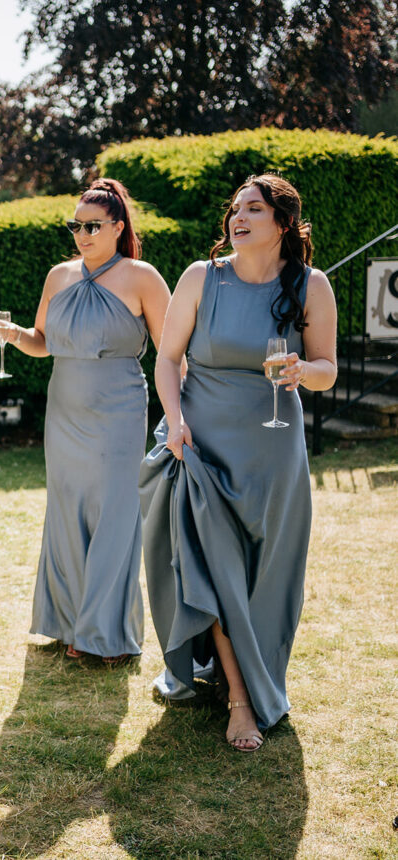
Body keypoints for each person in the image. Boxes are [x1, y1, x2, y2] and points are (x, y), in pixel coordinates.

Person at [139, 174, 337, 751]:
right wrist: (174, 421)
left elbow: (327, 369)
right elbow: (167, 359)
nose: (239, 217)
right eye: (236, 209)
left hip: (273, 447)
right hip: (200, 445)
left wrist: (304, 371)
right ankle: (241, 702)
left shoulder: (311, 285)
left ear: (282, 223)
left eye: (255, 208)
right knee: (216, 566)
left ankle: (255, 673)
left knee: (266, 574)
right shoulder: (202, 278)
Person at [0, 178, 170, 664]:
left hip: (119, 411)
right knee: (66, 515)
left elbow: (172, 353)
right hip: (64, 410)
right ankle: (67, 623)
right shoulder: (58, 276)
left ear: (117, 226)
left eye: (92, 225)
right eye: (76, 226)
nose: (82, 234)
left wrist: (179, 413)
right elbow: (43, 341)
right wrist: (13, 333)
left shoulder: (142, 276)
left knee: (114, 515)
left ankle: (106, 634)